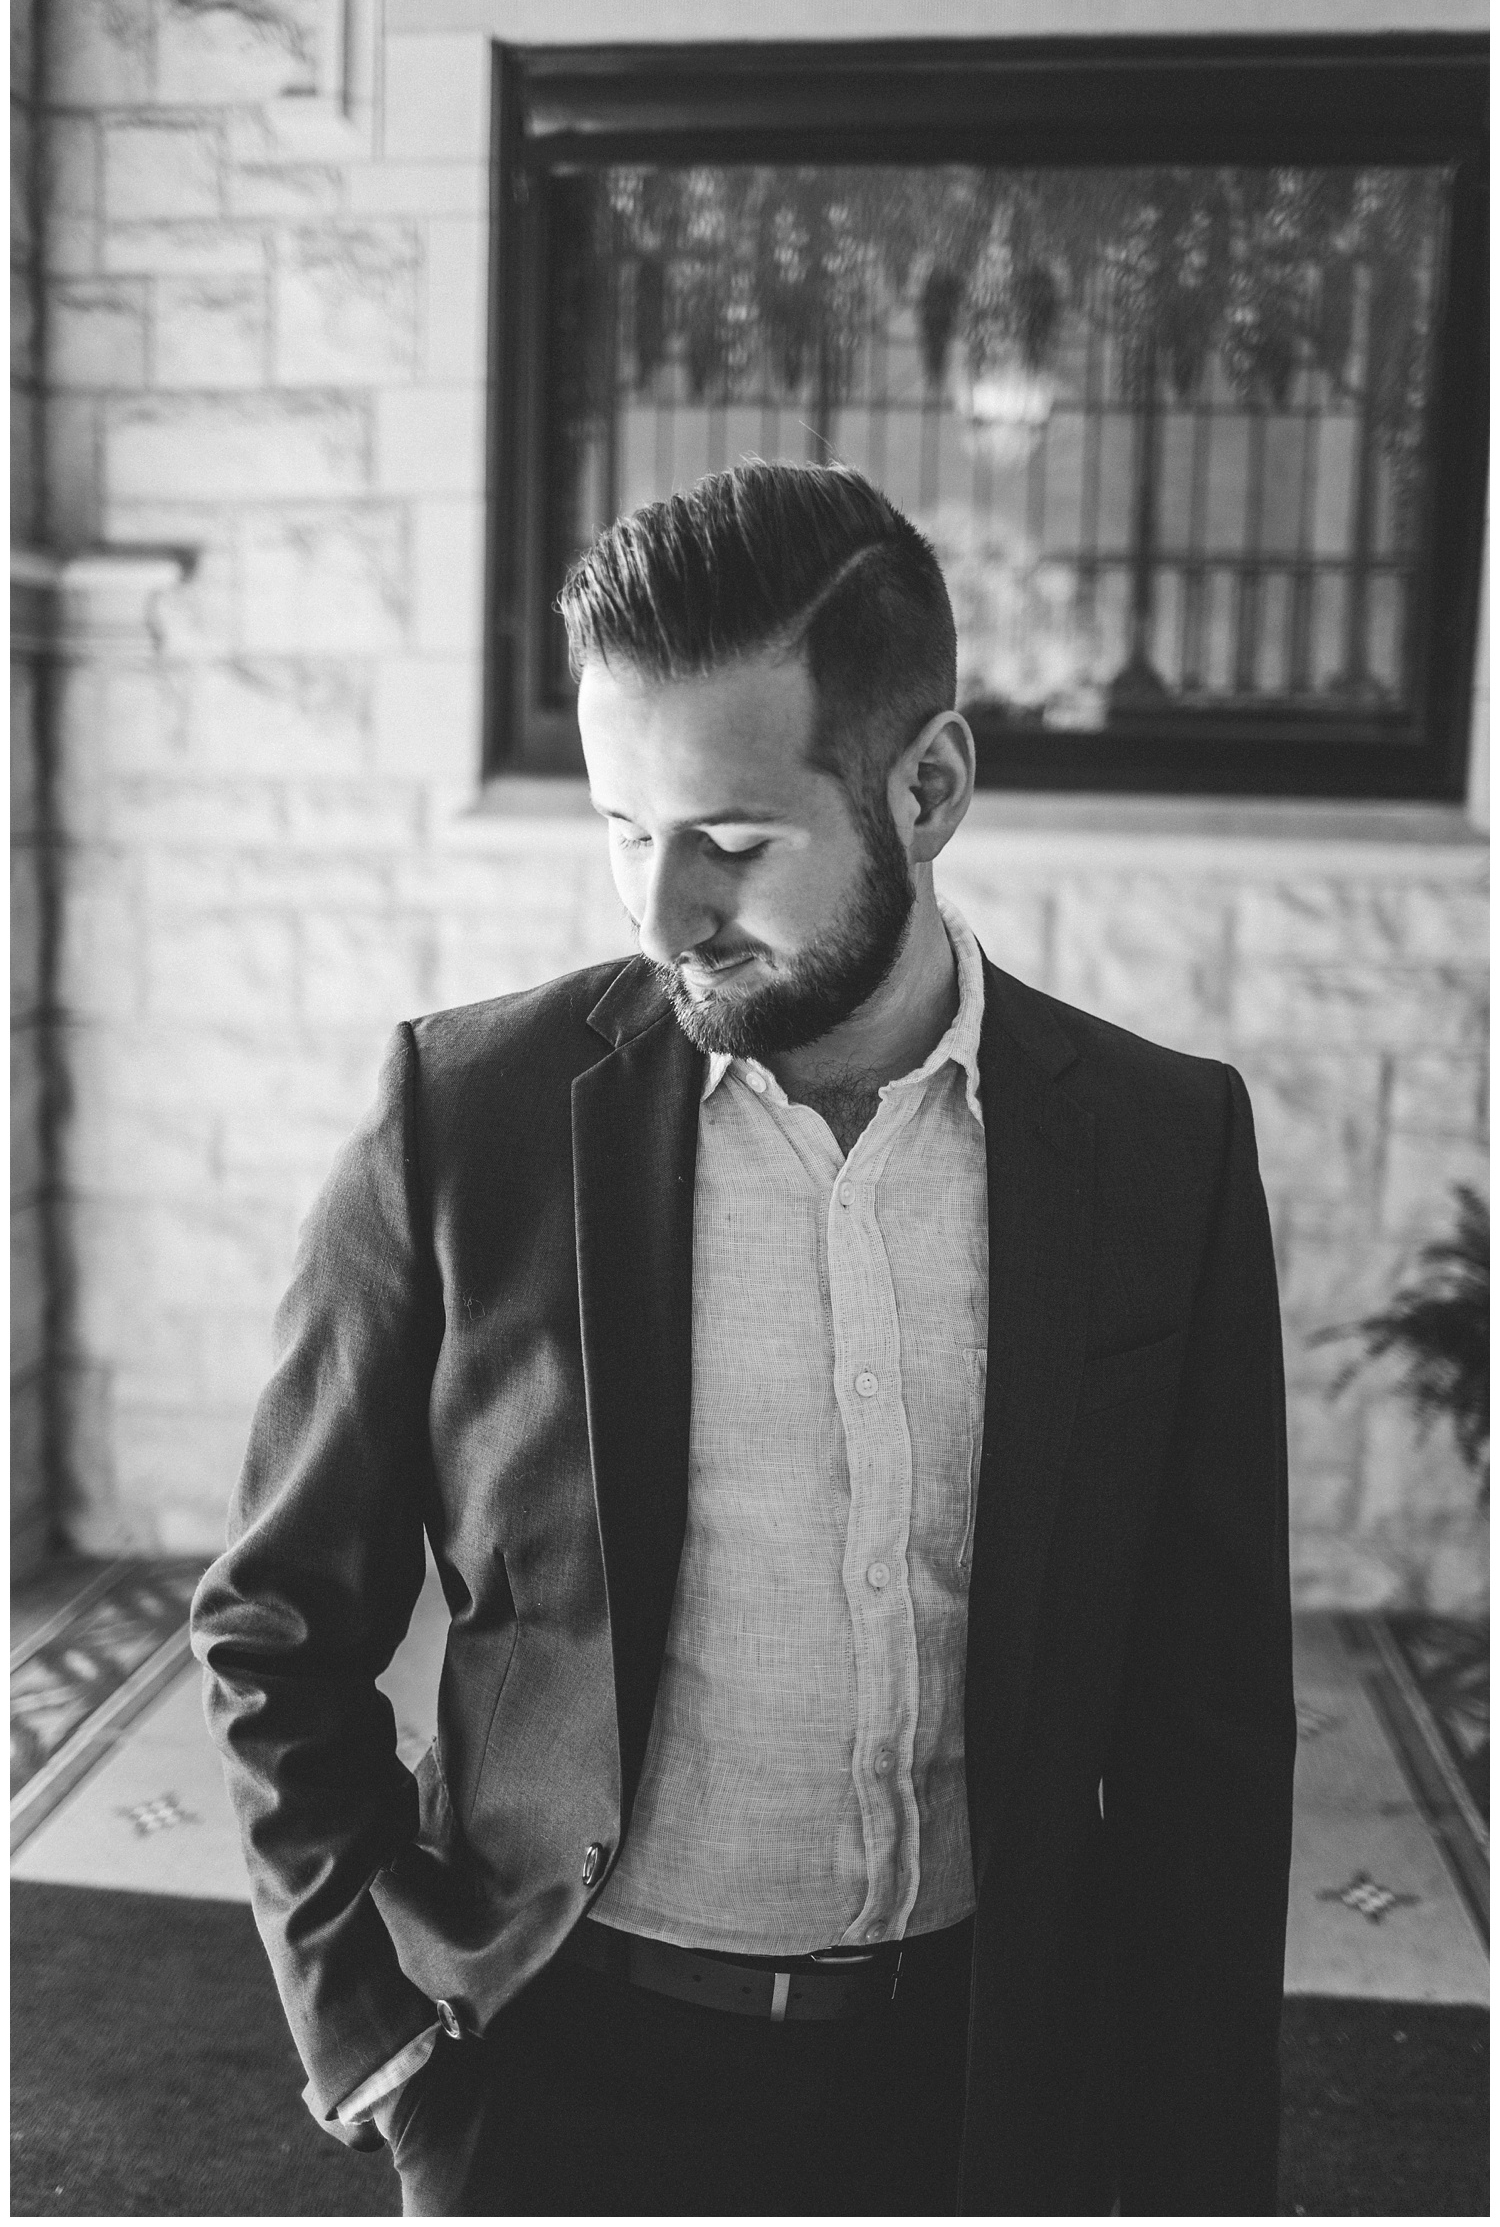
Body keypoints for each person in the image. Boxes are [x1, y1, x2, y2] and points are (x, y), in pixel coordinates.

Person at [192, 458, 1295, 2216]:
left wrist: (1194, 2161)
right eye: (626, 830)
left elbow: (1209, 1725)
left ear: (928, 788)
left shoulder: (1164, 1149)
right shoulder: (466, 1120)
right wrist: (374, 2041)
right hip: (557, 2095)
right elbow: (275, 1623)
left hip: (985, 2106)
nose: (660, 915)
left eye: (731, 841)